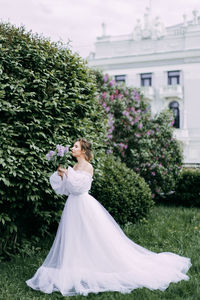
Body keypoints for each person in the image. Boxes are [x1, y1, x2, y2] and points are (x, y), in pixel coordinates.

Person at [26, 138, 192, 296]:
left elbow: (80, 187)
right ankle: (76, 265)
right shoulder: (74, 167)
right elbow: (68, 189)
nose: (72, 149)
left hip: (84, 205)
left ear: (83, 150)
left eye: (75, 146)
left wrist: (68, 175)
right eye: (73, 146)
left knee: (91, 236)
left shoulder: (88, 167)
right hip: (72, 206)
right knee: (74, 236)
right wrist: (63, 176)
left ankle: (94, 264)